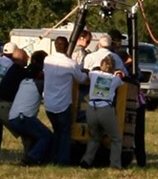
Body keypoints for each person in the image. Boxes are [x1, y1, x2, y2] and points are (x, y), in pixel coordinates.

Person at [43, 36, 87, 165]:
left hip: (48, 103)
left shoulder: (47, 60)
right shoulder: (70, 63)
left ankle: (54, 157)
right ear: (67, 47)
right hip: (63, 104)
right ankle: (63, 160)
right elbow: (81, 79)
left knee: (56, 132)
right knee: (64, 133)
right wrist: (86, 72)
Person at [7, 50, 52, 165]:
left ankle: (34, 157)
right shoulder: (39, 84)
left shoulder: (24, 82)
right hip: (24, 118)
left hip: (13, 117)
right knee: (47, 136)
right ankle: (31, 158)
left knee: (35, 136)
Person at [80, 55, 125, 169]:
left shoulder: (93, 75)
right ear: (113, 68)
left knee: (94, 137)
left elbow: (87, 72)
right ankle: (115, 164)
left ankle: (86, 160)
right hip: (105, 109)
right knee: (116, 138)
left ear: (101, 65)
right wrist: (117, 73)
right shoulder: (115, 79)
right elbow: (121, 80)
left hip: (91, 108)